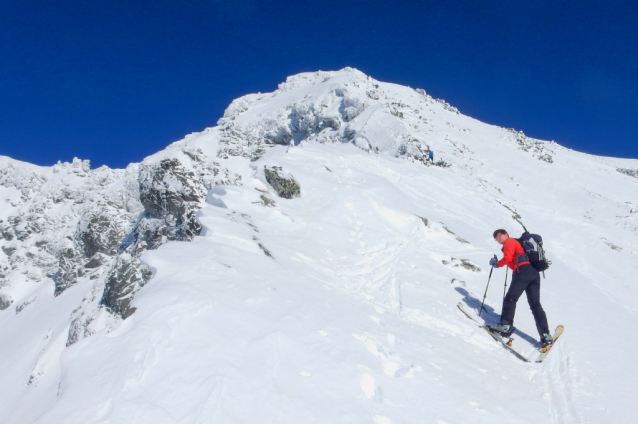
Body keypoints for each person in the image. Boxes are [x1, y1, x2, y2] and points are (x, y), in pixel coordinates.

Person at [487, 229, 553, 347]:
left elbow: (507, 259)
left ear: (506, 234)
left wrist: (496, 264)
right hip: (534, 274)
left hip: (523, 271)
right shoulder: (515, 245)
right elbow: (511, 260)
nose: (498, 238)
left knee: (510, 298)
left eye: (499, 235)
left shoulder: (509, 241)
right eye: (496, 237)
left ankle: (505, 326)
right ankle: (545, 335)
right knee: (535, 304)